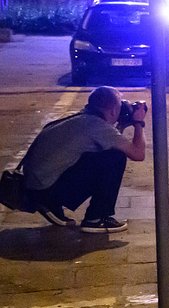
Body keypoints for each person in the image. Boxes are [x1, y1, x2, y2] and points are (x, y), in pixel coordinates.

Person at [20, 86, 148, 233]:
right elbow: (138, 154)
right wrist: (139, 123)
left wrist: (122, 125)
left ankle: (51, 204)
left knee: (106, 154)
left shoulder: (82, 118)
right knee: (115, 157)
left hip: (36, 187)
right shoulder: (96, 126)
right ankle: (96, 218)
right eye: (120, 106)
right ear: (113, 110)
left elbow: (110, 141)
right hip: (45, 189)